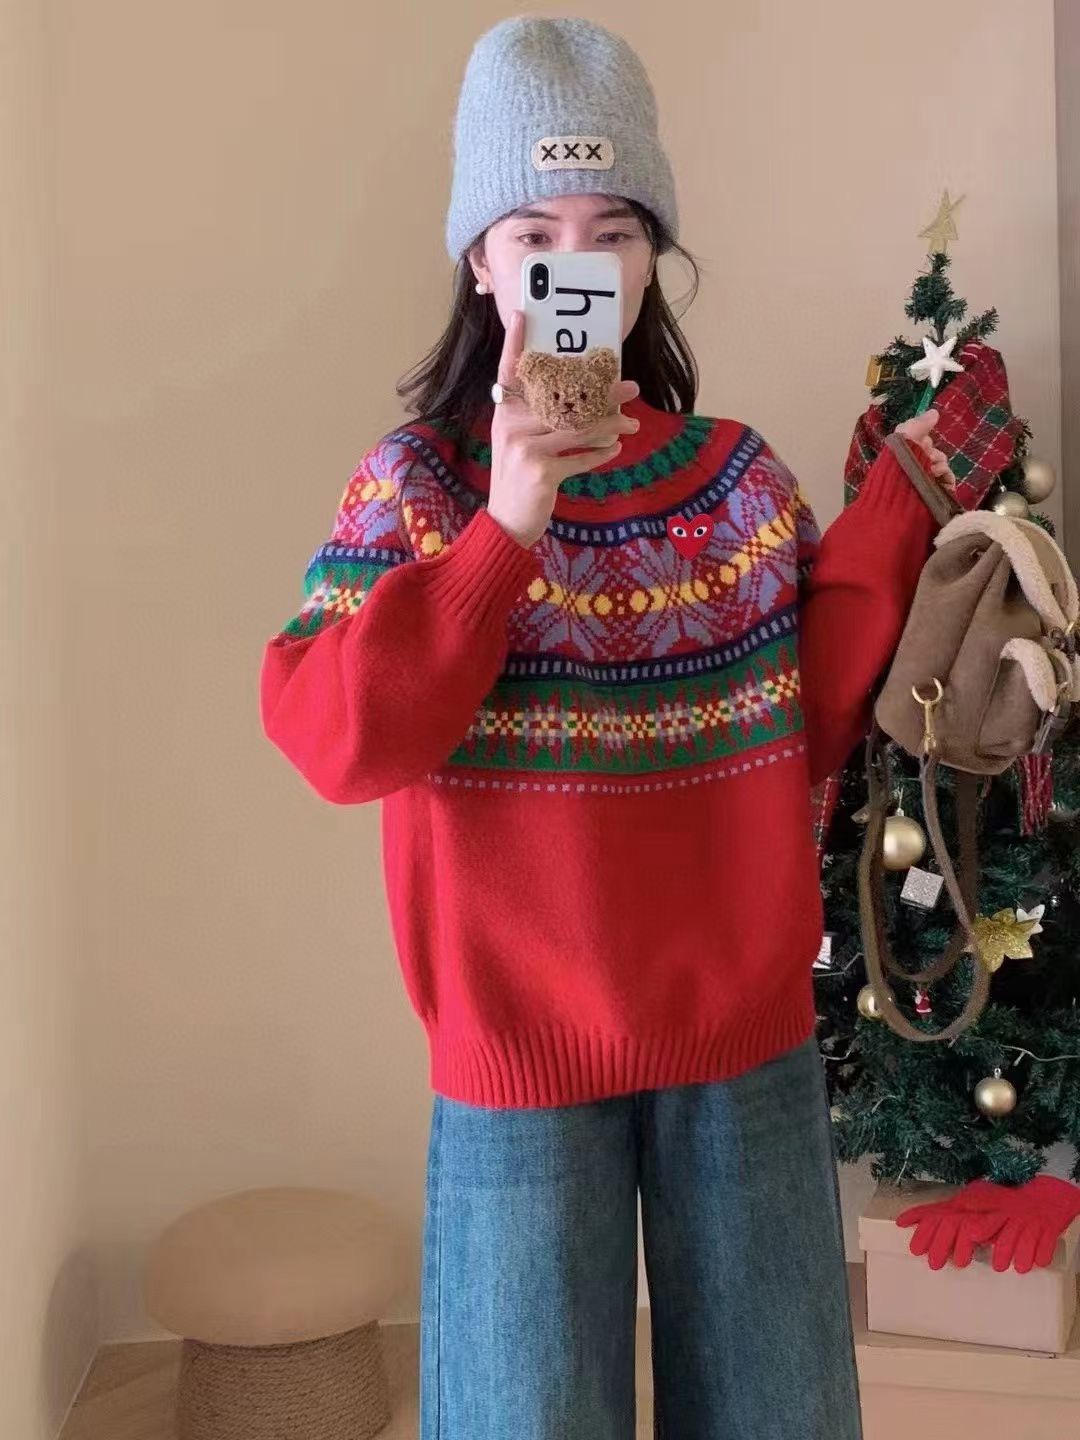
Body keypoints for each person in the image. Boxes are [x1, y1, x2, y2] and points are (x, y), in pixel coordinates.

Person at [259, 16, 957, 1439]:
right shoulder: (416, 490)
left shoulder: (737, 480)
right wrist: (506, 528)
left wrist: (902, 502)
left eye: (611, 233)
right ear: (480, 259)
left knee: (779, 1419)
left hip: (746, 1047)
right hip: (515, 1063)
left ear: (648, 263)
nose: (572, 268)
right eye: (535, 235)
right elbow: (337, 742)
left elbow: (808, 723)